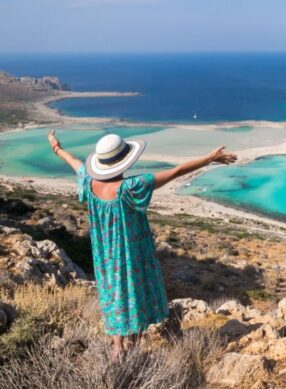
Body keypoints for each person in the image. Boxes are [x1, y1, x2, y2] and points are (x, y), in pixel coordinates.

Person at [47, 129, 237, 360]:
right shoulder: (132, 186)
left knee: (113, 292)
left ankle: (118, 346)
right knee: (134, 290)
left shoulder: (88, 183)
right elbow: (176, 171)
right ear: (124, 160)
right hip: (131, 251)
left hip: (104, 253)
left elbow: (75, 162)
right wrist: (209, 158)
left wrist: (57, 148)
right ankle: (134, 347)